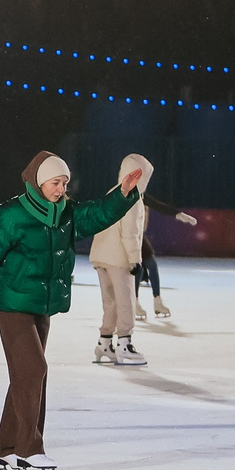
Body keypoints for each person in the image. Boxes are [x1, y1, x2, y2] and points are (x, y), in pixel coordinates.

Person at [0, 151, 143, 470]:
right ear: (38, 182)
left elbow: (97, 215)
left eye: (64, 183)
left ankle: (7, 448)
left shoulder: (66, 213)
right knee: (33, 370)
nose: (61, 189)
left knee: (26, 376)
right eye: (55, 183)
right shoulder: (12, 214)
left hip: (41, 304)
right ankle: (29, 449)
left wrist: (123, 196)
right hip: (11, 302)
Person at [88, 154, 160, 365]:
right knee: (125, 301)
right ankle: (124, 345)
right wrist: (135, 260)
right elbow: (130, 231)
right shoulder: (133, 196)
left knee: (109, 302)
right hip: (119, 257)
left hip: (101, 255)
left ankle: (104, 342)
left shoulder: (112, 192)